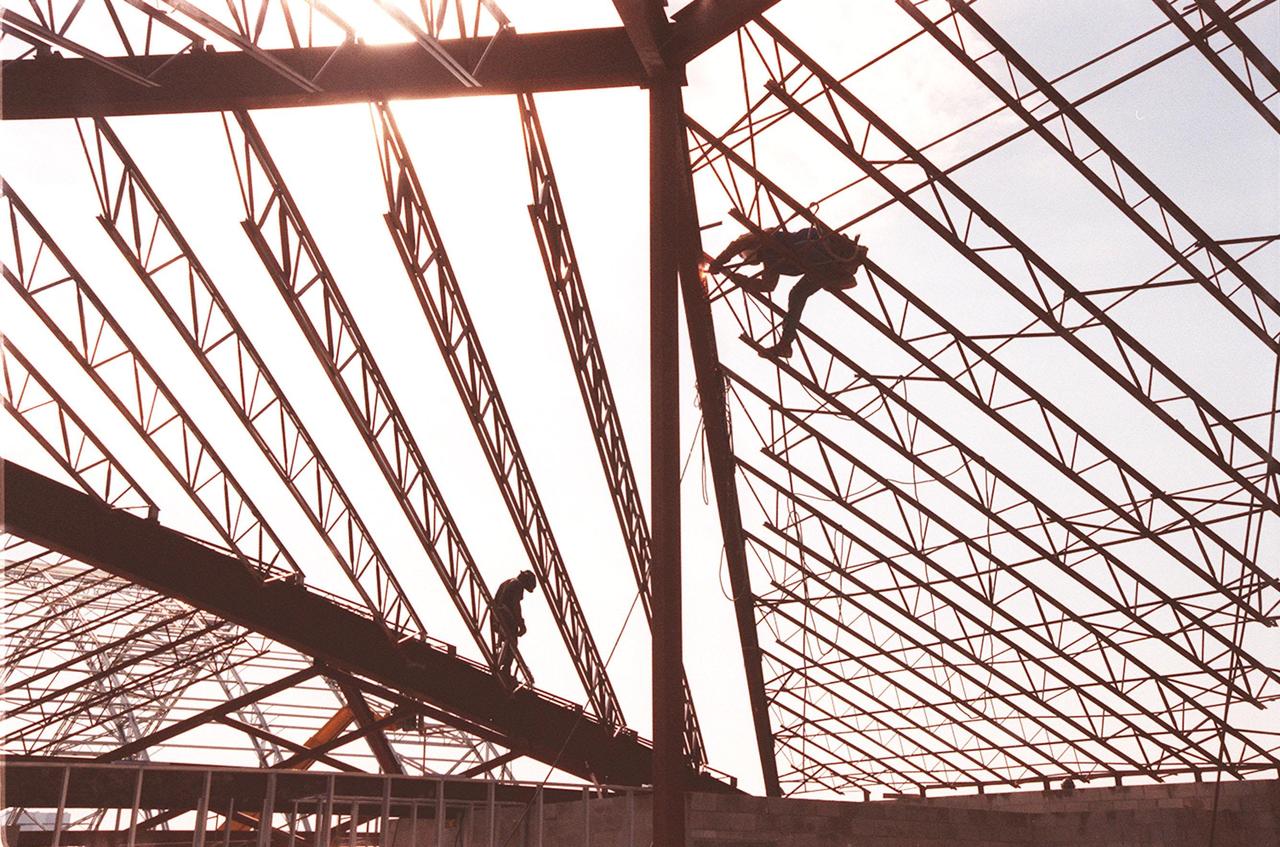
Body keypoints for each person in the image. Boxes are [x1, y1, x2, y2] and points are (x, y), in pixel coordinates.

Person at [708, 225, 868, 358]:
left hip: (814, 251)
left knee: (798, 291)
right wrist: (736, 278)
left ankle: (836, 274)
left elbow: (739, 244)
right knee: (797, 294)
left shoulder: (769, 240)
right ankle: (785, 345)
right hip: (818, 265)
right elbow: (767, 286)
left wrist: (719, 262)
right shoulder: (771, 260)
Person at [491, 570, 537, 681]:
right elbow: (516, 605)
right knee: (512, 642)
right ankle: (506, 670)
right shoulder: (517, 585)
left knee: (505, 642)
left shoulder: (506, 582)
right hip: (505, 616)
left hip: (496, 617)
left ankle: (499, 661)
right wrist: (521, 623)